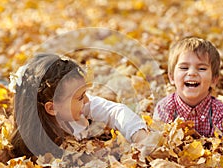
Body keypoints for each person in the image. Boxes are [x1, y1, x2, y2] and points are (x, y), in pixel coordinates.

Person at [10, 53, 149, 158]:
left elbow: (115, 111)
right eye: (81, 97)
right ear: (52, 108)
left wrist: (138, 135)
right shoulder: (35, 144)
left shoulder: (79, 106)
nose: (87, 100)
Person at [153, 36, 223, 136]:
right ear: (172, 77)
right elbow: (160, 145)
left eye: (202, 68)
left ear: (214, 79)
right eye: (184, 68)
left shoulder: (219, 112)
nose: (192, 73)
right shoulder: (164, 109)